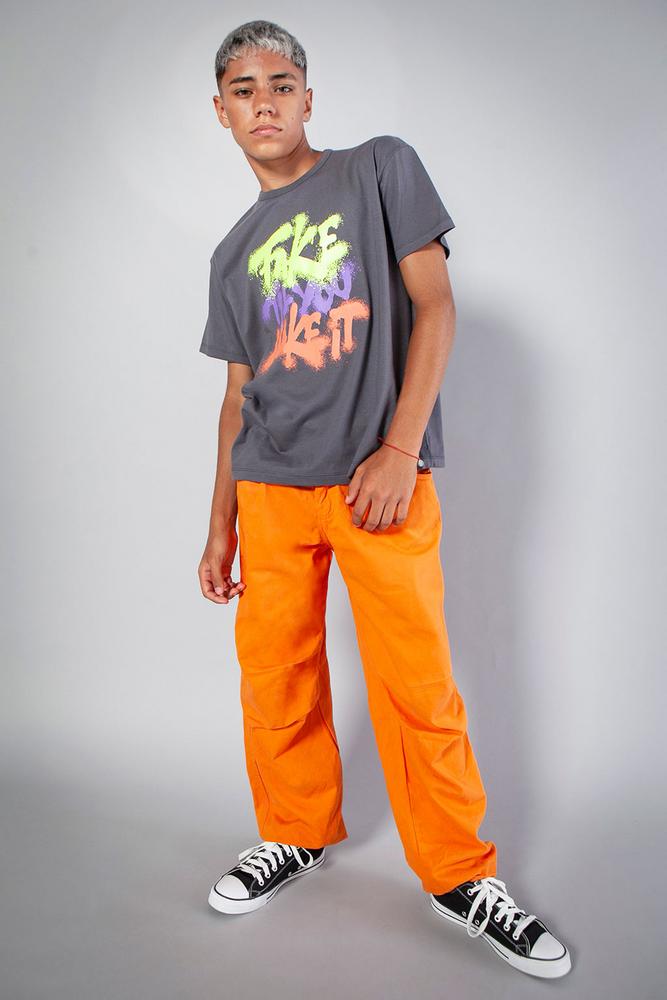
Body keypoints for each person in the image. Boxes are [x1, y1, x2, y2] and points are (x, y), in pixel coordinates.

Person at [197, 20, 571, 980]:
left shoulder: (377, 169)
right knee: (275, 675)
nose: (264, 101)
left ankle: (458, 876)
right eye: (243, 89)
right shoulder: (232, 253)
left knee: (416, 684)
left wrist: (400, 449)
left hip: (377, 484)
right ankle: (294, 829)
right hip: (271, 490)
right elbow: (238, 395)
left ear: (308, 98)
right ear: (221, 112)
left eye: (281, 83)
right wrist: (219, 524)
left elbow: (435, 305)